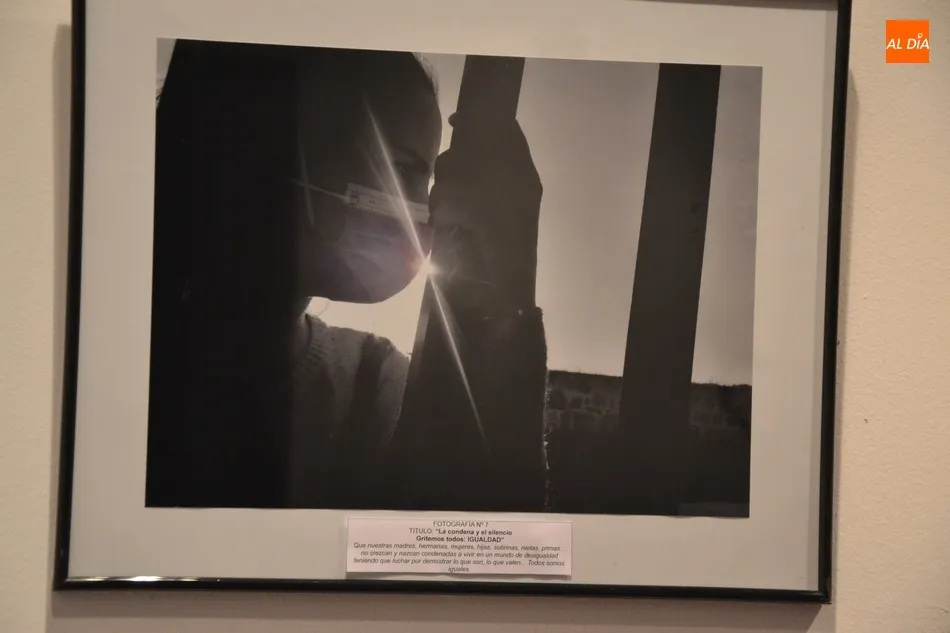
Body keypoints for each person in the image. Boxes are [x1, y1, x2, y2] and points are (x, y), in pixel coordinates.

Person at [145, 40, 549, 512]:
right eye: (403, 168)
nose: (431, 210)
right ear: (266, 146)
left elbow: (485, 532)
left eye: (428, 182)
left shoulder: (379, 387)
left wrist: (510, 284)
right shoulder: (129, 358)